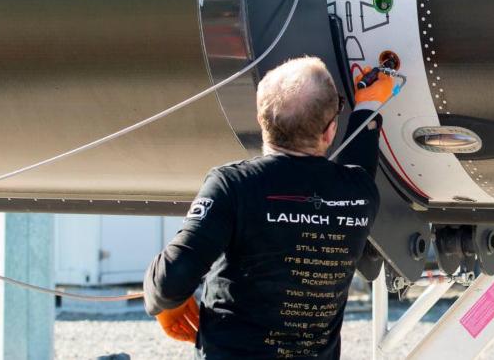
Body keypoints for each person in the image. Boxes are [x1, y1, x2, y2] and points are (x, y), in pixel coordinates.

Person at [144, 56, 393, 358]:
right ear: (329, 132)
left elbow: (172, 279)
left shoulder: (233, 186)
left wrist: (164, 302)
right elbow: (361, 161)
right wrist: (368, 105)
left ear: (262, 119)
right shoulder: (360, 193)